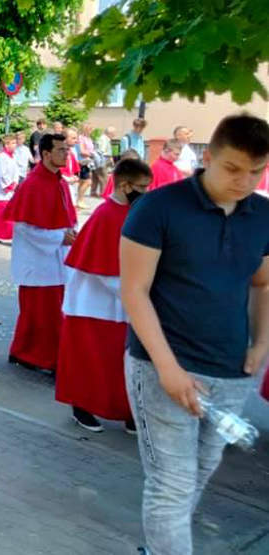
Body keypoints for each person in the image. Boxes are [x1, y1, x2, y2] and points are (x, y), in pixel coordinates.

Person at [120, 114, 269, 555]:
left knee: (196, 477)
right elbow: (134, 291)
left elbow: (262, 284)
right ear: (208, 157)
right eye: (233, 168)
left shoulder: (262, 214)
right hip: (162, 367)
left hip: (230, 370)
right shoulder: (159, 207)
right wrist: (167, 367)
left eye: (256, 171)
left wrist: (261, 342)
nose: (244, 181)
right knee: (171, 485)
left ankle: (156, 547)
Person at [55, 158, 152, 433]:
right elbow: (102, 268)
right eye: (142, 187)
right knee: (92, 361)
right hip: (94, 304)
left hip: (121, 303)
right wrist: (137, 295)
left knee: (122, 362)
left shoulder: (133, 212)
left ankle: (127, 411)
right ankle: (82, 406)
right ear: (125, 184)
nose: (146, 192)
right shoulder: (106, 215)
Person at [5, 133, 77, 374]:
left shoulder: (60, 182)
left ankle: (21, 351)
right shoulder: (33, 184)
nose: (66, 154)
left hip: (54, 258)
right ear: (46, 154)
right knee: (44, 316)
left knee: (39, 314)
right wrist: (59, 237)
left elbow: (64, 216)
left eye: (67, 150)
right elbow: (24, 227)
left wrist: (68, 232)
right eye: (61, 150)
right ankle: (49, 359)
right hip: (37, 261)